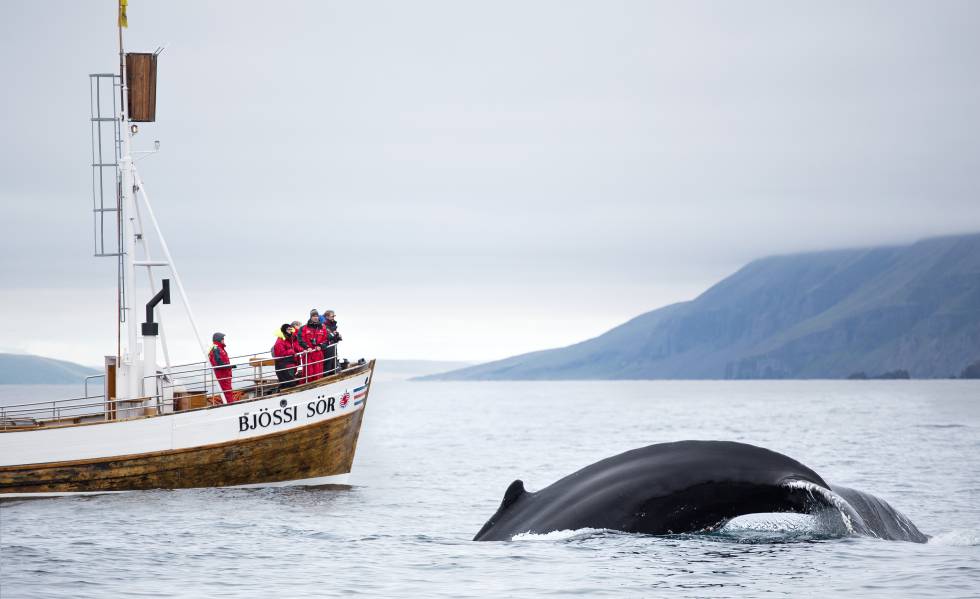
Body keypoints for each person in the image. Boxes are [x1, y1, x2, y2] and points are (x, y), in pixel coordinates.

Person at [298, 309, 328, 383]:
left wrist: (320, 346)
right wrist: (307, 347)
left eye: (317, 316)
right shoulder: (303, 328)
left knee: (318, 372)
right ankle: (307, 386)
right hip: (308, 354)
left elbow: (326, 340)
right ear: (311, 317)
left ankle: (319, 385)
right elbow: (300, 340)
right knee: (308, 372)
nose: (315, 317)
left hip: (318, 354)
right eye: (314, 316)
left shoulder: (323, 328)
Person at [209, 332, 235, 404]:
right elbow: (218, 363)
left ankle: (229, 404)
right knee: (227, 392)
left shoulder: (219, 348)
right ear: (219, 339)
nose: (224, 340)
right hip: (223, 375)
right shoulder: (216, 349)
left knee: (228, 391)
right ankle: (231, 406)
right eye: (222, 339)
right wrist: (229, 366)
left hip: (225, 374)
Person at [272, 323, 300, 390]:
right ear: (284, 330)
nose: (290, 330)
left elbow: (296, 346)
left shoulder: (288, 339)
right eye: (288, 329)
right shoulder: (280, 341)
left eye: (290, 329)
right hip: (285, 365)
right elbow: (280, 354)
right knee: (289, 383)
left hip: (290, 364)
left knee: (290, 381)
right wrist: (292, 351)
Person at [321, 309, 342, 374]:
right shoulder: (323, 325)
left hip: (333, 347)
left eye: (334, 316)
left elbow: (333, 336)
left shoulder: (332, 325)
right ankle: (325, 380)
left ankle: (334, 376)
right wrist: (333, 334)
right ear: (327, 317)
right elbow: (325, 337)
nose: (333, 318)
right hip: (327, 348)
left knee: (333, 365)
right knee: (327, 366)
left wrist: (338, 337)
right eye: (332, 316)